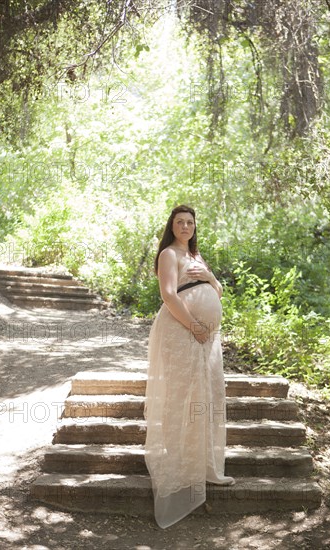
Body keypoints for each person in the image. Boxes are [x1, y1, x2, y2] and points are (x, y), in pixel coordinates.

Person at [144, 205, 235, 529]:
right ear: (172, 226)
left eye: (190, 222)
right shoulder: (169, 254)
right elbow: (169, 294)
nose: (185, 226)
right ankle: (179, 468)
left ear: (195, 227)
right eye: (179, 222)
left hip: (206, 338)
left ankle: (205, 466)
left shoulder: (197, 257)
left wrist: (210, 277)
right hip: (181, 331)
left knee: (206, 398)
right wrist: (194, 325)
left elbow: (218, 292)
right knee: (180, 396)